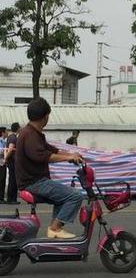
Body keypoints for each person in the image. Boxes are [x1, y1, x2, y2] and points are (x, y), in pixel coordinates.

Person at [15, 97, 85, 239]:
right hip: (34, 183)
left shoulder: (33, 133)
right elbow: (42, 155)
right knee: (75, 195)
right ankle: (55, 228)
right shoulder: (29, 135)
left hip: (36, 181)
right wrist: (68, 158)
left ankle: (54, 231)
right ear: (45, 116)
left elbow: (52, 150)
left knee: (63, 198)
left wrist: (72, 154)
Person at [4, 122, 21, 204]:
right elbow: (10, 149)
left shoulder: (12, 137)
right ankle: (11, 199)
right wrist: (6, 158)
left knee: (13, 179)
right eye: (20, 127)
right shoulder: (13, 137)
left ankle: (12, 199)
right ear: (17, 128)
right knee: (13, 180)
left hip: (13, 161)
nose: (21, 128)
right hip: (12, 162)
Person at [0, 127, 7, 203]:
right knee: (1, 180)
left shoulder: (3, 141)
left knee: (2, 180)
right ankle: (0, 198)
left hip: (2, 163)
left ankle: (1, 197)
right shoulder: (0, 141)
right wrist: (6, 151)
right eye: (6, 131)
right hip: (1, 163)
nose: (7, 133)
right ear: (2, 133)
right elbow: (1, 152)